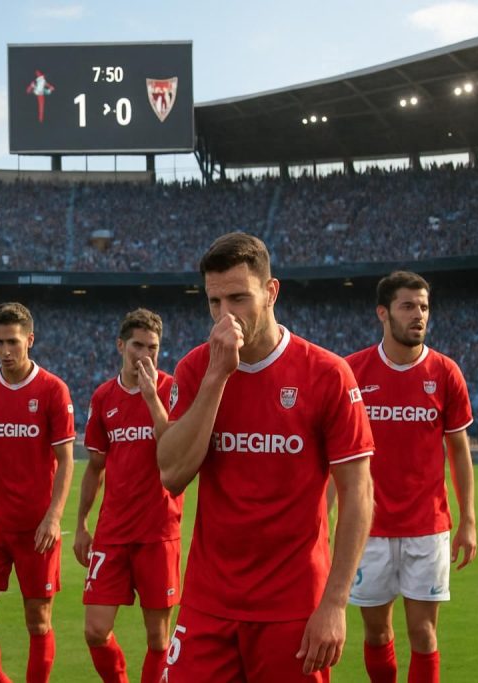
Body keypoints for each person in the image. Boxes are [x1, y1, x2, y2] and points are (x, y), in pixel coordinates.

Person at [157, 232, 374, 682]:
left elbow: (358, 494)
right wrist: (218, 375)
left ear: (271, 292)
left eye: (238, 298)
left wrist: (334, 604)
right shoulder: (198, 367)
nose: (225, 315)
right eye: (214, 302)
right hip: (208, 602)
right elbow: (173, 474)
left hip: (293, 606)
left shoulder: (327, 374)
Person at [345, 271, 476, 683]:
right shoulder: (352, 372)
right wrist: (322, 518)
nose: (418, 315)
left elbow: (458, 449)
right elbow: (337, 456)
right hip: (369, 530)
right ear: (383, 312)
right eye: (407, 306)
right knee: (377, 631)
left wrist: (468, 519)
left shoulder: (446, 372)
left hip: (428, 528)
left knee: (423, 633)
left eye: (423, 307)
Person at [0, 302, 76, 683]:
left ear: (30, 340)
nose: (5, 351)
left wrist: (54, 517)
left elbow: (67, 460)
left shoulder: (53, 390)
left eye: (13, 342)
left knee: (38, 623)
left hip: (37, 529)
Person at [74, 308, 182, 683]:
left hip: (158, 531)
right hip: (113, 532)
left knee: (158, 639)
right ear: (121, 345)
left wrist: (152, 398)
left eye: (152, 347)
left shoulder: (172, 389)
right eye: (138, 345)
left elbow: (178, 449)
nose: (145, 355)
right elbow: (95, 466)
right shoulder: (104, 396)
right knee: (95, 630)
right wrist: (81, 525)